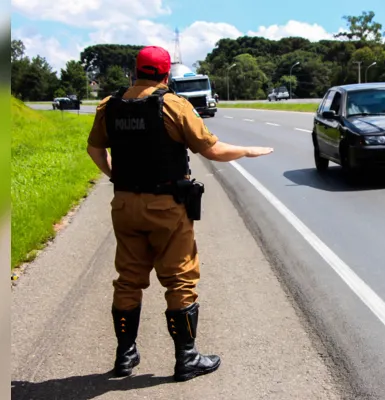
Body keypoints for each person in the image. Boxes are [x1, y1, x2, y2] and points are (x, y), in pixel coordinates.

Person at [85, 45, 273, 382]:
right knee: (179, 279)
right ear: (165, 74)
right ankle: (187, 359)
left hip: (125, 204)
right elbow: (211, 149)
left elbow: (95, 148)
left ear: (136, 70)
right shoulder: (173, 105)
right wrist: (246, 150)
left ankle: (125, 355)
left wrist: (115, 175)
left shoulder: (109, 107)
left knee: (128, 280)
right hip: (165, 207)